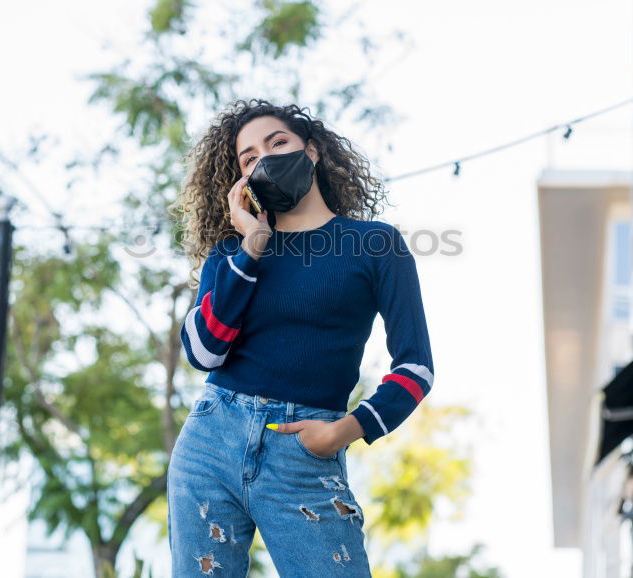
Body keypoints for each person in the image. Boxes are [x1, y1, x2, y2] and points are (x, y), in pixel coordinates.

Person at [167, 98, 434, 576]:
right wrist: (251, 249)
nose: (264, 159)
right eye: (249, 157)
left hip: (305, 451)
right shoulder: (231, 253)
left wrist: (344, 431)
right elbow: (205, 351)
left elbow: (415, 369)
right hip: (210, 441)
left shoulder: (375, 245)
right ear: (240, 179)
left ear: (310, 151)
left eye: (277, 143)